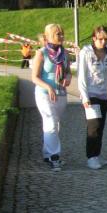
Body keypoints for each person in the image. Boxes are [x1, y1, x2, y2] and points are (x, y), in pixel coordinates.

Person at [78, 26, 107, 169]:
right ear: (94, 38)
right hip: (91, 94)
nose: (103, 42)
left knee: (101, 126)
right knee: (93, 126)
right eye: (100, 39)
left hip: (103, 95)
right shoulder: (86, 53)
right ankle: (91, 156)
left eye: (105, 39)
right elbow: (81, 76)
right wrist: (85, 97)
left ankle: (97, 153)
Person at [32, 23, 71, 171]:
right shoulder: (41, 53)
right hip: (44, 94)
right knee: (51, 123)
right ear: (48, 36)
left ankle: (47, 154)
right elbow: (34, 77)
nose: (61, 36)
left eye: (62, 33)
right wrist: (48, 87)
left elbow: (68, 71)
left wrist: (68, 78)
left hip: (60, 93)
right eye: (57, 34)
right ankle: (55, 157)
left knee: (54, 124)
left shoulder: (65, 53)